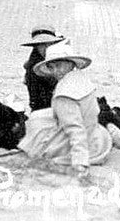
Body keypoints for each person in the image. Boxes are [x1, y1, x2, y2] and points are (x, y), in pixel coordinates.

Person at [19, 40, 112, 176]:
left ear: (70, 64)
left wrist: (80, 163)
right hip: (94, 134)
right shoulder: (80, 78)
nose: (56, 71)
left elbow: (75, 129)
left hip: (84, 146)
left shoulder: (64, 94)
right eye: (52, 67)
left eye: (59, 65)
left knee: (35, 129)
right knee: (37, 117)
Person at [22, 26, 64, 110]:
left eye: (49, 44)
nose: (46, 48)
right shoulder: (35, 66)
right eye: (42, 45)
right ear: (36, 46)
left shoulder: (55, 60)